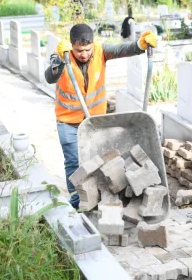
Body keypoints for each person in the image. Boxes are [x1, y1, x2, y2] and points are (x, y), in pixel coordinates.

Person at [45, 24, 157, 209]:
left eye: (87, 49)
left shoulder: (100, 51)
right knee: (73, 161)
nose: (84, 54)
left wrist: (140, 45)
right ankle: (76, 203)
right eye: (79, 50)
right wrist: (60, 62)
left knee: (96, 160)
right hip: (68, 121)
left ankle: (98, 200)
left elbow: (122, 49)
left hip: (94, 122)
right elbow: (50, 77)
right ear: (72, 45)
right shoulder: (61, 55)